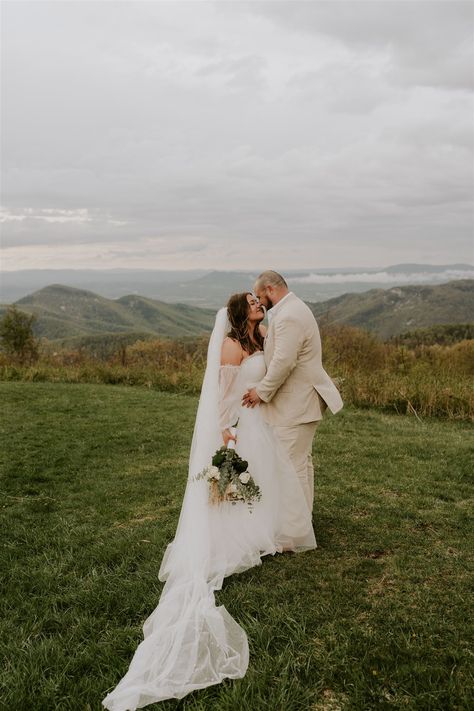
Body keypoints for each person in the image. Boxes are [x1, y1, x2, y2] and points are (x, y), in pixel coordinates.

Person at [102, 292, 315, 711]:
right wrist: (227, 437)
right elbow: (222, 398)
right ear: (239, 313)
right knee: (240, 487)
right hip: (240, 425)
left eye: (260, 299)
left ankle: (264, 530)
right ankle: (235, 537)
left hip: (260, 421)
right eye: (252, 301)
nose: (259, 303)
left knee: (266, 483)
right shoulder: (233, 345)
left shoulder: (258, 338)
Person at [242, 271, 343, 511]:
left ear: (269, 289)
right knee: (300, 463)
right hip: (301, 402)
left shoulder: (289, 315)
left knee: (289, 466)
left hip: (297, 403)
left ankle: (292, 533)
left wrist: (261, 392)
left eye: (259, 296)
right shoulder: (293, 309)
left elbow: (283, 362)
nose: (259, 302)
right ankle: (301, 524)